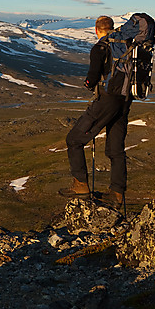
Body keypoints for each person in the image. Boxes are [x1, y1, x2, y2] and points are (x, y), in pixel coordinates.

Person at [60, 15, 132, 207]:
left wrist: (89, 83)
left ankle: (81, 186)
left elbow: (92, 77)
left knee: (74, 140)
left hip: (107, 100)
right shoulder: (127, 46)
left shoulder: (100, 47)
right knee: (116, 149)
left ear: (96, 29)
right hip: (125, 101)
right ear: (113, 28)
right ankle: (117, 194)